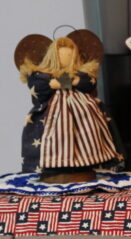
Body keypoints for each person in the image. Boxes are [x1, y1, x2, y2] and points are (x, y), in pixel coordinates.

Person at [15, 32, 123, 182]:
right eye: (61, 57)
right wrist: (66, 81)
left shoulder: (82, 75)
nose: (65, 61)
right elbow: (40, 87)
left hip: (84, 117)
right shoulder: (40, 75)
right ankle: (54, 168)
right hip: (52, 116)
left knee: (85, 136)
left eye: (69, 57)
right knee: (55, 139)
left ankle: (84, 165)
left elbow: (88, 83)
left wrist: (67, 81)